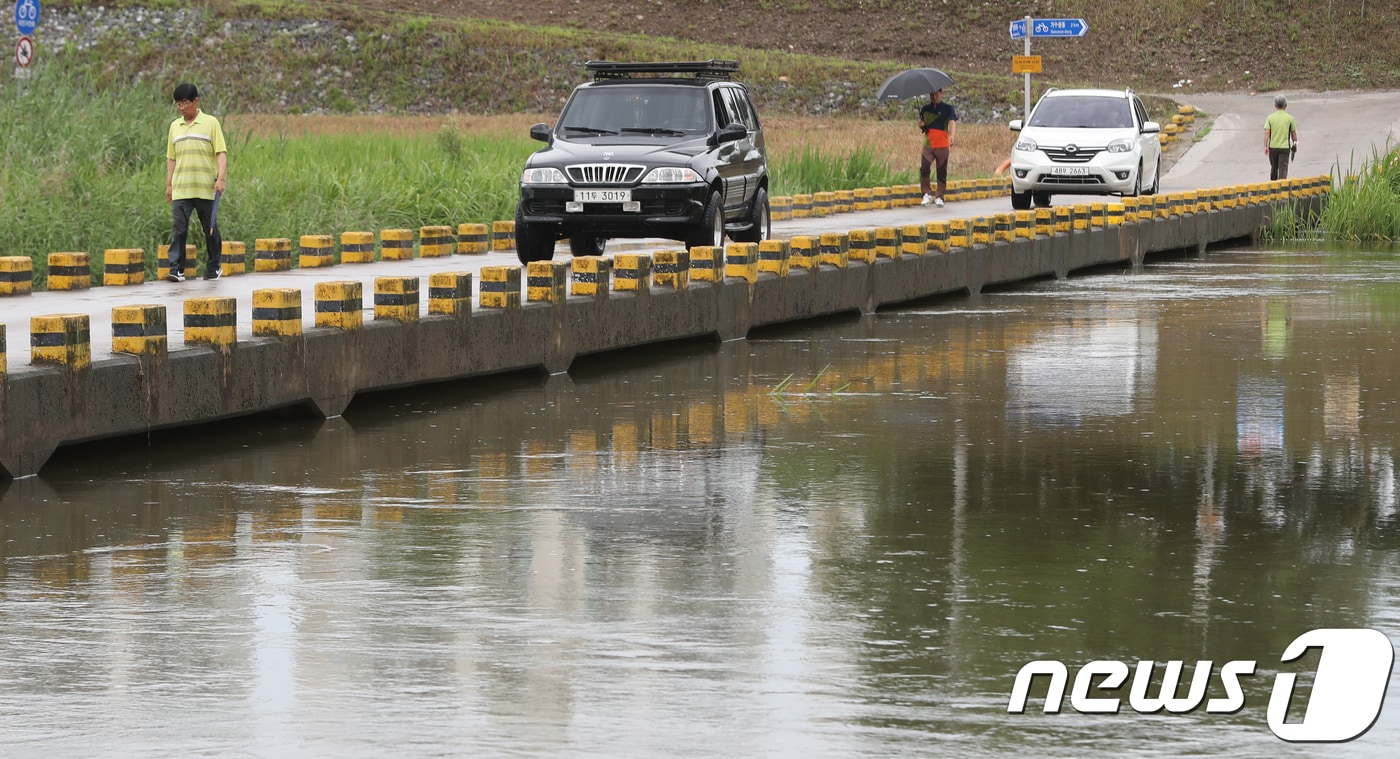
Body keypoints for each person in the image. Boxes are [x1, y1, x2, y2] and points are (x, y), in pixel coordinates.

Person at [165, 82, 227, 281]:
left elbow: (220, 152)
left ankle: (214, 266)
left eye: (185, 103)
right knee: (179, 229)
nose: (181, 107)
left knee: (209, 229)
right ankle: (176, 269)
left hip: (205, 187)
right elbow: (171, 157)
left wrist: (221, 178)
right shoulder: (175, 126)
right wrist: (169, 184)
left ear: (195, 101)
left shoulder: (210, 123)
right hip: (182, 188)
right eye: (178, 104)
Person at [918, 88, 957, 207]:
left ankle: (940, 196)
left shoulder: (948, 108)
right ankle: (926, 193)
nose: (933, 96)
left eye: (936, 94)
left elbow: (952, 122)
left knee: (941, 171)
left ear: (941, 93)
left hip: (942, 145)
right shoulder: (924, 109)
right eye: (931, 94)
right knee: (924, 168)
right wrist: (921, 125)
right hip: (928, 145)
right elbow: (924, 128)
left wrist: (952, 135)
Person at [1264, 94, 1298, 181]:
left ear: (1275, 106)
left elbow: (1267, 133)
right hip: (1284, 148)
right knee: (1283, 169)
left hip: (1273, 147)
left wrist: (1265, 146)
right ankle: (1282, 189)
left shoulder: (1270, 118)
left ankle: (1273, 188)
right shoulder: (1290, 118)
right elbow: (1293, 134)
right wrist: (1294, 145)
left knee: (1274, 168)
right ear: (1286, 105)